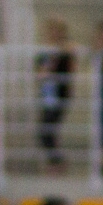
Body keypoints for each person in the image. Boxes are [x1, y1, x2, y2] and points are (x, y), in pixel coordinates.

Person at [35, 19, 74, 167]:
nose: (54, 34)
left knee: (48, 129)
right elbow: (40, 73)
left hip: (60, 93)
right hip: (47, 93)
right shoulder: (44, 52)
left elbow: (70, 65)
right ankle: (56, 162)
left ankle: (57, 162)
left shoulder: (66, 50)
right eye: (52, 31)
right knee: (45, 130)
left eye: (57, 31)